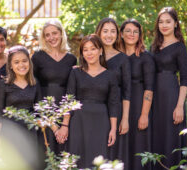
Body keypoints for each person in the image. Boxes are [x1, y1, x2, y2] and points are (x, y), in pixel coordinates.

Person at [67, 34, 119, 168]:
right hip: (78, 122)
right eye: (85, 50)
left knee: (99, 159)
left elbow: (113, 103)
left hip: (101, 122)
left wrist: (113, 129)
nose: (89, 53)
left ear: (101, 50)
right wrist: (65, 126)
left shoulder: (110, 75)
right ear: (82, 53)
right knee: (78, 159)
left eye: (93, 49)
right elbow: (69, 100)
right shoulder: (75, 73)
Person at [31, 20, 77, 154]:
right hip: (44, 110)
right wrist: (52, 124)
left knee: (64, 154)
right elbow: (34, 87)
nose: (51, 38)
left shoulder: (71, 59)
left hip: (65, 112)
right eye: (47, 35)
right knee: (46, 152)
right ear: (43, 38)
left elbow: (72, 90)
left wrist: (64, 124)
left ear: (61, 33)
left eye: (54, 33)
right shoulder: (38, 57)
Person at [151, 7, 187, 169]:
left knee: (170, 136)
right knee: (156, 136)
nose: (164, 25)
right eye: (161, 21)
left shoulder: (179, 47)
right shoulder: (154, 45)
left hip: (171, 96)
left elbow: (184, 79)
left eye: (168, 21)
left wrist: (180, 106)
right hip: (154, 96)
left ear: (175, 24)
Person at [0, 45, 42, 170]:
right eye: (16, 62)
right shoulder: (4, 84)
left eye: (24, 61)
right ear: (10, 65)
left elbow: (39, 110)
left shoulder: (35, 83)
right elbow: (0, 112)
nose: (21, 65)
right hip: (10, 132)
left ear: (29, 62)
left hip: (30, 132)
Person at [119, 19, 155, 170]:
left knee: (138, 146)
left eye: (135, 31)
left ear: (140, 35)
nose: (131, 34)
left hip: (139, 105)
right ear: (121, 34)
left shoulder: (145, 57)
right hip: (119, 104)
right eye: (128, 31)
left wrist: (144, 115)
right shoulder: (116, 56)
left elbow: (149, 88)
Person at [95, 18, 131, 168]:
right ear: (99, 32)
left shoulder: (123, 58)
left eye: (113, 31)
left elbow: (127, 91)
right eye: (105, 31)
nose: (109, 35)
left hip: (117, 109)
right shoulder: (91, 54)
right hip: (96, 109)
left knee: (115, 151)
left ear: (117, 34)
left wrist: (125, 118)